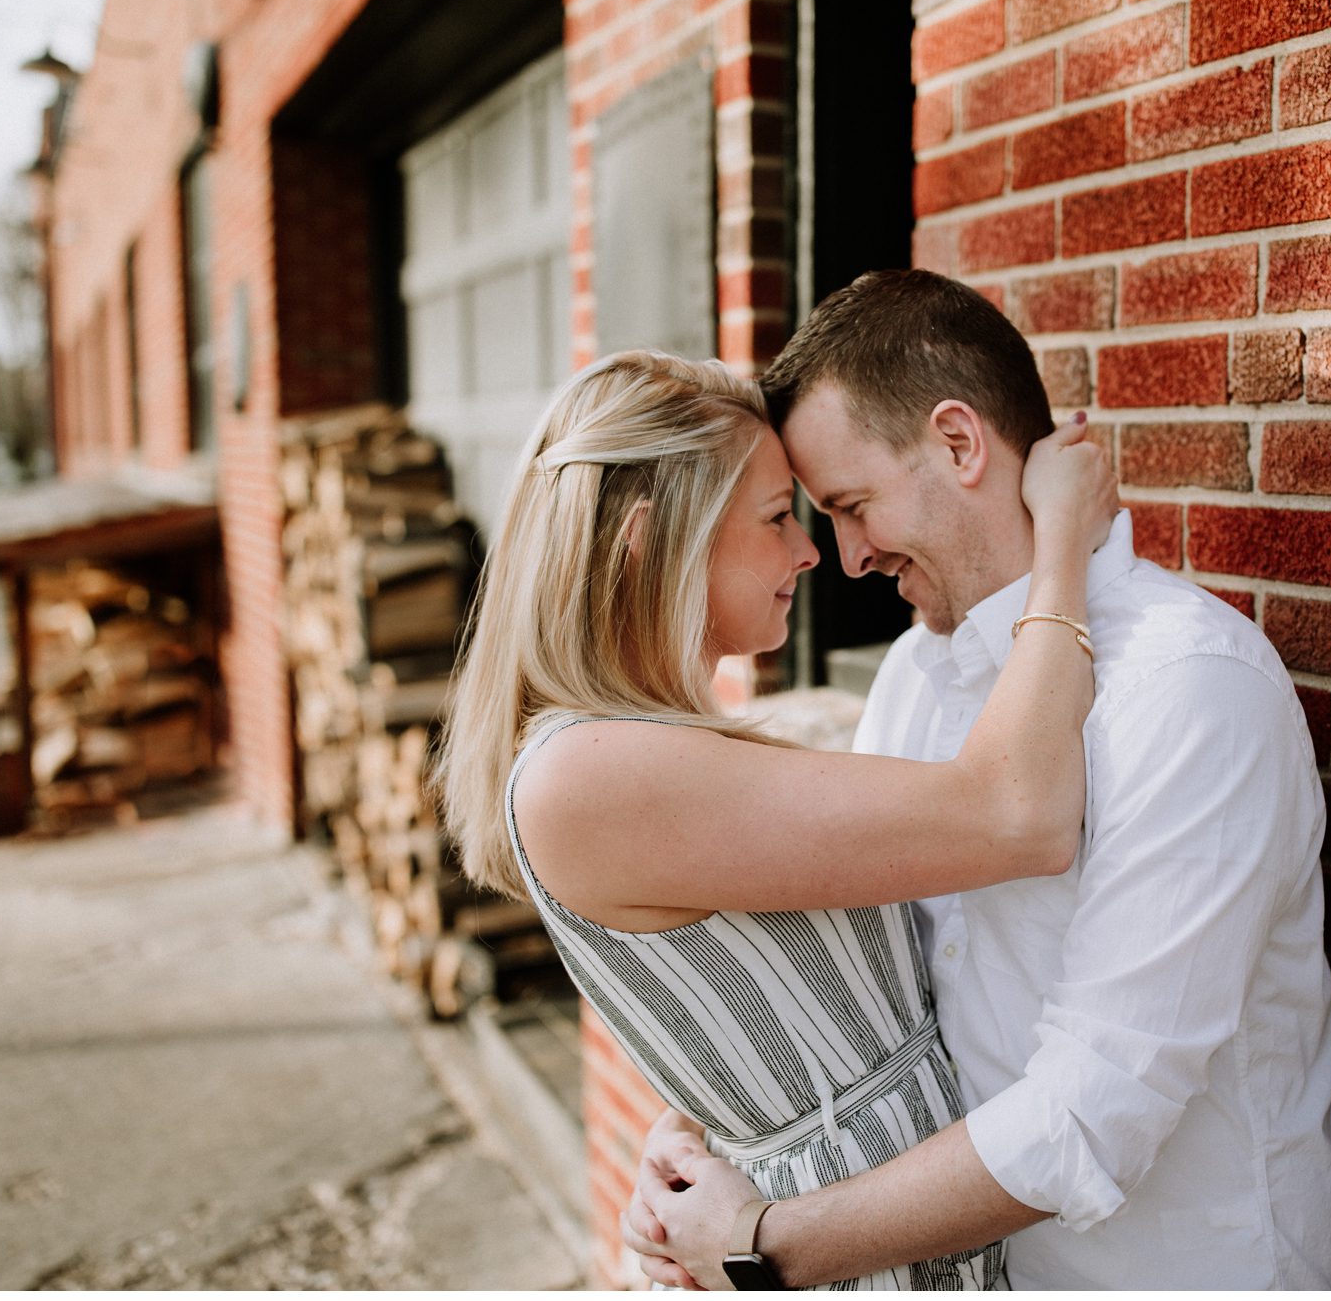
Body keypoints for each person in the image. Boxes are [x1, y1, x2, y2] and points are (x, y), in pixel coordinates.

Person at [624, 270, 1331, 1289]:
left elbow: (1096, 1108)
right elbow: (872, 984)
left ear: (959, 443)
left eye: (851, 506)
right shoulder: (913, 674)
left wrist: (762, 1242)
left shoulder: (1190, 687)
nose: (846, 557)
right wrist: (702, 1142)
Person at [430, 349, 1118, 1290]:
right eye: (775, 516)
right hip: (847, 1260)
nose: (810, 552)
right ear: (649, 539)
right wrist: (1061, 547)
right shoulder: (591, 773)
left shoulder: (634, 754)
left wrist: (699, 1120)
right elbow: (1019, 815)